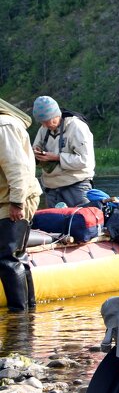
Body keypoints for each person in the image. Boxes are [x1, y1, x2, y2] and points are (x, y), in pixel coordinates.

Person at [1, 97, 41, 310]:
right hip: (7, 199)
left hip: (15, 199)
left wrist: (17, 202)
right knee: (17, 256)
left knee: (9, 257)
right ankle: (28, 310)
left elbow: (17, 169)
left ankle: (18, 313)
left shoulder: (4, 127)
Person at [30, 95, 96, 208]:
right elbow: (36, 147)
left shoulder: (77, 127)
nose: (45, 125)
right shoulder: (44, 129)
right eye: (42, 122)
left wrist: (56, 157)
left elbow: (85, 161)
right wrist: (36, 154)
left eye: (47, 121)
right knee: (52, 225)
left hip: (76, 187)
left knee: (80, 223)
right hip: (51, 188)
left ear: (57, 114)